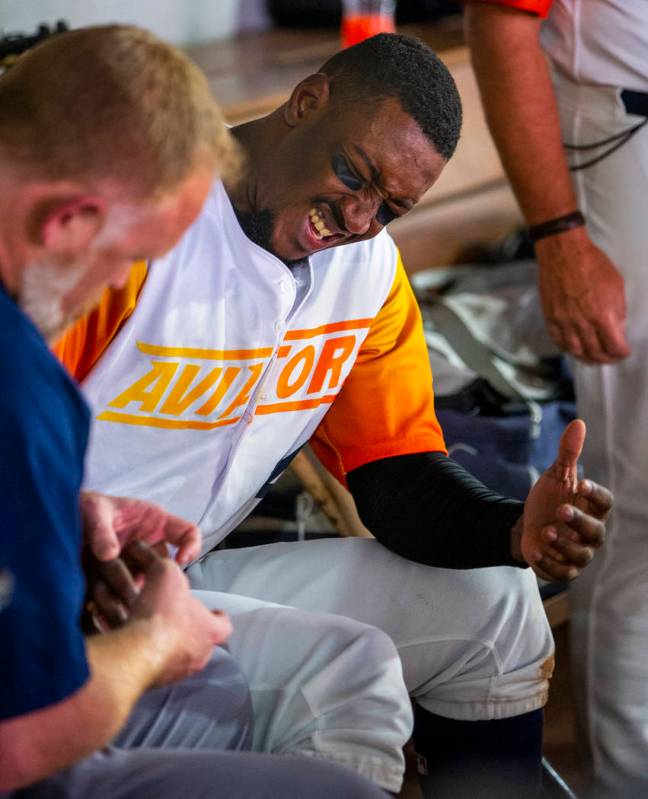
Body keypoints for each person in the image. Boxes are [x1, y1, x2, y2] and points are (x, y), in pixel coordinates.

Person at [55, 33, 612, 798]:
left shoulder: (368, 273)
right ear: (306, 100)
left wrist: (514, 529)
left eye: (390, 207)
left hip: (183, 580)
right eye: (355, 172)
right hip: (50, 589)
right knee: (350, 679)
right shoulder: (138, 223)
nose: (355, 215)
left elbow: (395, 473)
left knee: (497, 599)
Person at [0, 25, 389, 799]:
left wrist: (65, 512)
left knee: (234, 696)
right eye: (123, 257)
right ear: (67, 223)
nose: (111, 283)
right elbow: (22, 742)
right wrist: (157, 643)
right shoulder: (24, 386)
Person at [463, 3, 648, 796]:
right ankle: (627, 778)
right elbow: (500, 19)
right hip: (624, 132)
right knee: (641, 501)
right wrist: (560, 237)